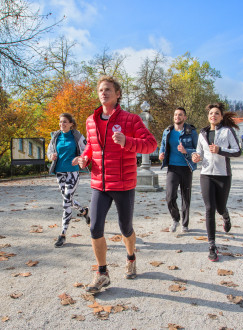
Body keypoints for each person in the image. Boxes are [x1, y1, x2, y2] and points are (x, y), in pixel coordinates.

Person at [77, 76, 157, 293]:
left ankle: (131, 257)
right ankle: (102, 273)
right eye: (101, 90)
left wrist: (128, 142)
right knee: (94, 227)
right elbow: (91, 149)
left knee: (125, 228)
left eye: (108, 90)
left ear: (118, 94)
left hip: (123, 184)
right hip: (99, 183)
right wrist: (85, 158)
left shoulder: (131, 120)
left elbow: (151, 144)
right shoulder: (90, 121)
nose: (104, 93)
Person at [192, 102, 241, 262]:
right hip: (206, 174)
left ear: (221, 116)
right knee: (209, 209)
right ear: (208, 116)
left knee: (219, 208)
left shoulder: (228, 131)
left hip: (223, 175)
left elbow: (237, 151)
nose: (213, 115)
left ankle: (225, 215)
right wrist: (196, 157)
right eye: (211, 113)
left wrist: (221, 150)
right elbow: (199, 152)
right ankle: (212, 245)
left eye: (217, 113)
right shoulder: (202, 133)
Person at [47, 113, 90, 248]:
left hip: (73, 172)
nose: (62, 124)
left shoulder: (77, 136)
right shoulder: (55, 136)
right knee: (69, 200)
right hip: (59, 172)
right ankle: (84, 211)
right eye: (60, 122)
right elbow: (49, 152)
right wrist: (51, 156)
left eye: (65, 122)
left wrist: (79, 158)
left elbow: (87, 151)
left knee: (66, 201)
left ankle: (62, 234)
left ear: (71, 123)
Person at [159, 107, 198, 233]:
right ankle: (175, 219)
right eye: (176, 115)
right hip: (172, 168)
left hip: (186, 167)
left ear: (185, 117)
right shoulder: (167, 131)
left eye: (180, 115)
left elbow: (198, 149)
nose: (177, 117)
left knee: (186, 197)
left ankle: (185, 224)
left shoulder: (191, 131)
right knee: (170, 196)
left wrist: (187, 151)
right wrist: (161, 154)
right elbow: (163, 146)